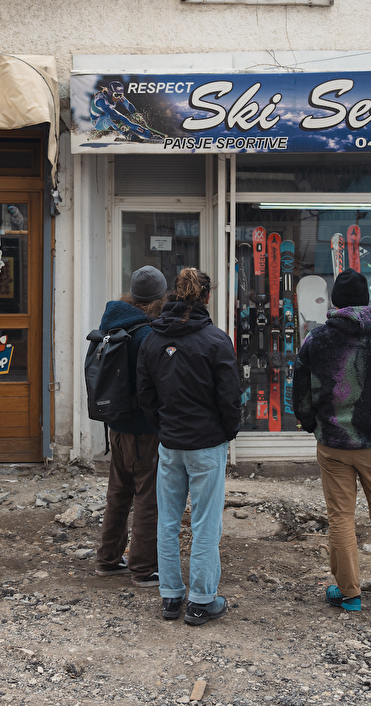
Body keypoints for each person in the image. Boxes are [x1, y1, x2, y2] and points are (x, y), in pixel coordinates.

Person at [294, 269, 371, 612]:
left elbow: (300, 388)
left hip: (333, 444)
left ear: (334, 301)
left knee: (340, 518)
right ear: (367, 300)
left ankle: (348, 593)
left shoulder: (316, 339)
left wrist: (310, 423)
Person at [137, 268, 241, 626]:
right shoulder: (215, 340)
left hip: (171, 442)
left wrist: (163, 426)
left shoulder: (152, 339)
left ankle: (170, 597)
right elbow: (229, 396)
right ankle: (201, 600)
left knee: (167, 520)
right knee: (205, 523)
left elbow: (145, 394)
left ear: (173, 295)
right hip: (206, 443)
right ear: (207, 297)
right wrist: (229, 431)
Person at [93, 265, 168, 587]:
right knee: (149, 498)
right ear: (161, 297)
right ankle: (143, 567)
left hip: (118, 427)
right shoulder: (148, 335)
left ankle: (108, 559)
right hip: (145, 431)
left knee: (119, 494)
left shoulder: (114, 325)